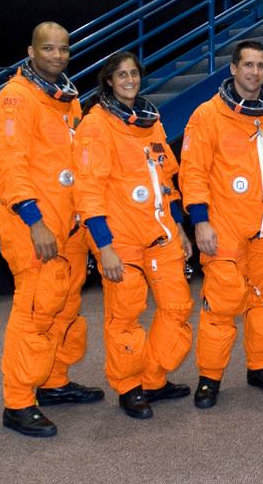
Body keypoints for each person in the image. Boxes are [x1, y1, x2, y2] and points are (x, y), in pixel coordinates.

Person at [0, 22, 103, 438]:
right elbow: (9, 165)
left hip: (68, 229)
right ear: (31, 51)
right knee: (35, 312)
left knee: (65, 308)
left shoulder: (65, 101)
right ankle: (18, 402)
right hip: (33, 226)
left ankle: (53, 381)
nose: (57, 55)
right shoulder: (16, 101)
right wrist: (34, 220)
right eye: (48, 48)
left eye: (64, 49)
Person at [180, 40, 263, 409]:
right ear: (233, 69)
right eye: (247, 65)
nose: (254, 72)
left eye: (260, 65)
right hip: (224, 227)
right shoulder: (207, 116)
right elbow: (193, 174)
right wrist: (200, 223)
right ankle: (210, 376)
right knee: (220, 304)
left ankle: (260, 366)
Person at [73, 51, 195, 420]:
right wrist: (104, 248)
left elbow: (166, 179)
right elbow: (88, 191)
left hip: (160, 235)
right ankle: (129, 387)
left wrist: (179, 226)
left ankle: (153, 378)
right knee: (125, 317)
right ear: (108, 80)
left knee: (176, 308)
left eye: (134, 74)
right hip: (120, 240)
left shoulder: (150, 121)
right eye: (121, 75)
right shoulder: (95, 126)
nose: (129, 80)